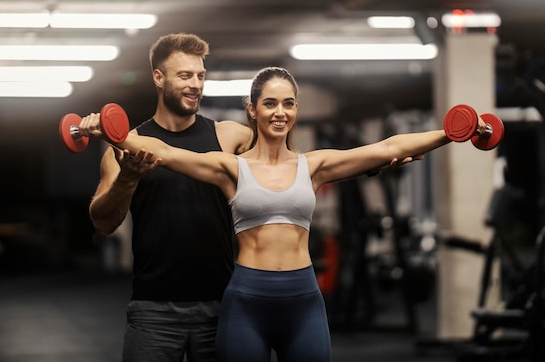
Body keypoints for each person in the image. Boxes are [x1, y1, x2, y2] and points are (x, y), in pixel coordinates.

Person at [79, 66, 489, 362]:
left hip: (303, 302)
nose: (280, 112)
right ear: (252, 110)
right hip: (245, 302)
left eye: (289, 104)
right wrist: (109, 132)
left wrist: (456, 133)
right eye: (270, 103)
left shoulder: (314, 165)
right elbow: (164, 151)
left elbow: (386, 148)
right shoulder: (229, 168)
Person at [88, 33, 253, 362]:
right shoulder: (126, 147)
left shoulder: (231, 136)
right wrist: (128, 179)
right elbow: (103, 223)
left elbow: (287, 167)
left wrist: (368, 165)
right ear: (158, 78)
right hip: (153, 310)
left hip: (222, 304)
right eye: (184, 75)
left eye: (200, 75)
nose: (195, 85)